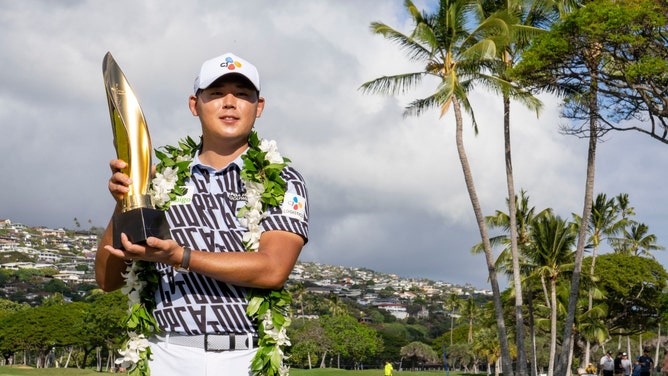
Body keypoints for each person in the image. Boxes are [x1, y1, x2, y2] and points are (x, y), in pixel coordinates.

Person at [96, 52, 309, 375]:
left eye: (241, 94)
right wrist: (126, 199)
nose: (229, 103)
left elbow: (273, 269)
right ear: (195, 104)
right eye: (216, 94)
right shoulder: (160, 179)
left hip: (244, 358)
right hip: (164, 354)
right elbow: (107, 279)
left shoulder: (281, 181)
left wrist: (180, 256)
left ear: (258, 106)